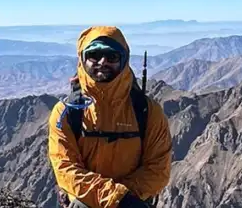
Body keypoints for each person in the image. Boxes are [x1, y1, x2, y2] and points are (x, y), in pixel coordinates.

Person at [47, 26, 172, 208]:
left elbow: (158, 169)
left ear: (124, 60)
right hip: (88, 203)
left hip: (133, 201)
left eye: (112, 56)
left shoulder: (148, 111)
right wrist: (117, 199)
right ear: (82, 60)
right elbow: (65, 168)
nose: (102, 61)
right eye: (94, 55)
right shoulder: (66, 112)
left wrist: (123, 199)